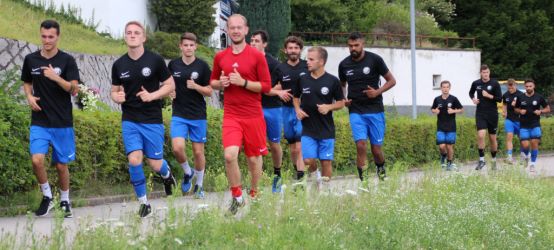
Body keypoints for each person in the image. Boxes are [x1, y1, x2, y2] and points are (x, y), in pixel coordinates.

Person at [111, 21, 176, 218]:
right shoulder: (119, 64)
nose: (132, 35)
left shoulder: (155, 61)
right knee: (134, 159)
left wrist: (152, 96)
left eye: (136, 33)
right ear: (124, 37)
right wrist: (116, 97)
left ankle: (167, 174)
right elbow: (114, 91)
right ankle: (143, 203)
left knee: (155, 164)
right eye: (128, 32)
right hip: (130, 119)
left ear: (143, 38)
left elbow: (170, 85)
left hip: (152, 120)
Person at [209, 14, 272, 215]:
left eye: (239, 27)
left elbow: (266, 86)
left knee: (254, 160)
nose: (235, 30)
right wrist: (221, 84)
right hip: (232, 115)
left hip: (253, 115)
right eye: (231, 27)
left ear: (246, 30)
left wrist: (243, 82)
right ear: (227, 30)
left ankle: (255, 192)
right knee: (230, 155)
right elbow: (212, 82)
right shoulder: (220, 57)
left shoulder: (256, 56)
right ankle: (237, 197)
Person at [21, 20, 80, 218]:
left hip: (62, 121)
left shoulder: (67, 61)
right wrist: (29, 96)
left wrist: (56, 78)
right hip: (40, 120)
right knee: (37, 160)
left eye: (50, 37)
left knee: (61, 165)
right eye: (44, 36)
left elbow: (74, 89)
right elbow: (27, 82)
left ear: (57, 37)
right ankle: (47, 196)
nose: (46, 40)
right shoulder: (31, 59)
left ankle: (64, 200)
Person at [338, 32, 396, 183]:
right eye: (350, 46)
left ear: (362, 44)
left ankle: (381, 169)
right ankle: (364, 182)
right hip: (356, 110)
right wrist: (344, 99)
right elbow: (342, 85)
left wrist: (377, 92)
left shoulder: (375, 60)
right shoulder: (344, 64)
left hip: (375, 109)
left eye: (356, 45)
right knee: (361, 145)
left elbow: (391, 81)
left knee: (376, 149)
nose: (353, 48)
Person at [168, 32, 212, 199]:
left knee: (198, 153)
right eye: (185, 45)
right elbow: (167, 84)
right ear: (180, 46)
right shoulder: (173, 65)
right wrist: (169, 92)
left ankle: (199, 185)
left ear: (196, 47)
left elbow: (209, 91)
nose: (188, 48)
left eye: (191, 45)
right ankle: (187, 172)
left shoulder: (202, 66)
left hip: (198, 115)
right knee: (177, 148)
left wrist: (196, 87)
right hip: (179, 113)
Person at [293, 46, 345, 188]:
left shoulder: (333, 81)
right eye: (307, 59)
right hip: (308, 128)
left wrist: (329, 107)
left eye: (311, 59)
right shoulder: (302, 79)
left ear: (321, 62)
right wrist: (297, 109)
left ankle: (325, 190)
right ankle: (316, 174)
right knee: (308, 159)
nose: (307, 62)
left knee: (326, 161)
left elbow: (341, 103)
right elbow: (296, 97)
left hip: (326, 128)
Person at [249, 30, 286, 193]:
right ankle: (257, 181)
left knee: (274, 143)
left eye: (256, 41)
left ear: (264, 44)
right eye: (251, 41)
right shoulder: (246, 61)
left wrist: (267, 89)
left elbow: (280, 86)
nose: (253, 43)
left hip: (272, 108)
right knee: (255, 145)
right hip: (253, 108)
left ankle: (277, 174)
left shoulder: (274, 63)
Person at [272, 36, 309, 187]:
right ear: (285, 50)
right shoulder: (279, 68)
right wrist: (278, 92)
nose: (293, 51)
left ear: (300, 50)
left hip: (303, 110)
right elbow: (268, 89)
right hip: (285, 111)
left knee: (300, 146)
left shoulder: (308, 66)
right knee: (293, 148)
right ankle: (298, 170)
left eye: (296, 48)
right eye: (290, 48)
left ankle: (301, 179)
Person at [468, 64, 502, 170]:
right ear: (481, 73)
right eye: (483, 72)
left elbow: (499, 99)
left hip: (492, 114)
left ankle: (493, 160)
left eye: (487, 72)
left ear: (489, 73)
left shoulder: (495, 83)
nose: (485, 74)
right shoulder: (476, 83)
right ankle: (482, 160)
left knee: (492, 138)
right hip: (480, 113)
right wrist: (473, 99)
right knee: (481, 135)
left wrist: (489, 96)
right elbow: (470, 92)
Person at [514, 79, 550, 171]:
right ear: (525, 87)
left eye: (530, 86)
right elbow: (516, 109)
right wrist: (520, 111)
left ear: (534, 86)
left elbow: (547, 109)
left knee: (534, 143)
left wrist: (541, 111)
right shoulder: (520, 97)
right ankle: (527, 155)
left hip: (535, 124)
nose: (528, 88)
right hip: (524, 125)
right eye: (527, 86)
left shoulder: (539, 97)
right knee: (525, 145)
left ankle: (532, 164)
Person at [431, 81, 463, 171]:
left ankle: (449, 163)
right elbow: (433, 109)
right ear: (441, 88)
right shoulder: (437, 99)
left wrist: (453, 111)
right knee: (441, 146)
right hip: (440, 126)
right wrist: (435, 111)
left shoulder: (453, 99)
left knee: (449, 146)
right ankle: (443, 156)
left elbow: (461, 109)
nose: (445, 89)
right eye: (443, 87)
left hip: (451, 126)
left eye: (447, 87)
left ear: (449, 88)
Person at [501, 79, 524, 164]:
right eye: (509, 86)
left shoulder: (521, 94)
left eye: (512, 86)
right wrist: (504, 111)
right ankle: (509, 157)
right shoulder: (505, 95)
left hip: (519, 120)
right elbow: (504, 104)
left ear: (515, 85)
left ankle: (523, 155)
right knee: (509, 136)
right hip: (509, 119)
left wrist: (517, 105)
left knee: (521, 138)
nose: (510, 88)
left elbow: (525, 106)